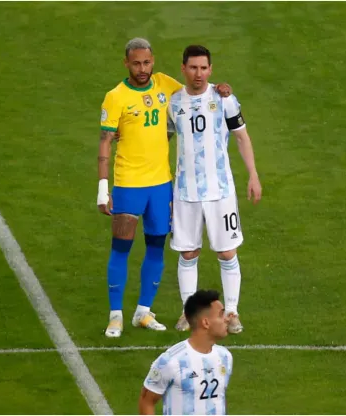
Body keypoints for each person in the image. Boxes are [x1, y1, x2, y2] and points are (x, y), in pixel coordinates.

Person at [97, 38, 232, 338]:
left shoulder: (164, 85)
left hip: (161, 185)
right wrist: (103, 188)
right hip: (129, 182)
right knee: (121, 247)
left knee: (156, 247)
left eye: (147, 62)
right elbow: (105, 141)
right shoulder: (115, 96)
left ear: (153, 61)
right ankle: (115, 315)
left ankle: (143, 312)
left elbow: (195, 91)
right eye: (136, 63)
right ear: (126, 63)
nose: (142, 69)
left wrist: (221, 88)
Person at [166, 45, 262, 334]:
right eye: (193, 68)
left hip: (220, 190)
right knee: (188, 253)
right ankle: (189, 313)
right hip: (185, 191)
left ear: (211, 69)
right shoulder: (173, 103)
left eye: (204, 68)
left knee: (227, 252)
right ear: (183, 68)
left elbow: (242, 138)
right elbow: (160, 140)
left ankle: (231, 313)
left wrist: (253, 175)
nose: (199, 74)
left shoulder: (224, 100)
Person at [139, 289, 233, 415]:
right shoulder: (171, 361)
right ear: (206, 322)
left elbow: (218, 399)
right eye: (221, 315)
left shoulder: (225, 357)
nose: (227, 319)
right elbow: (146, 402)